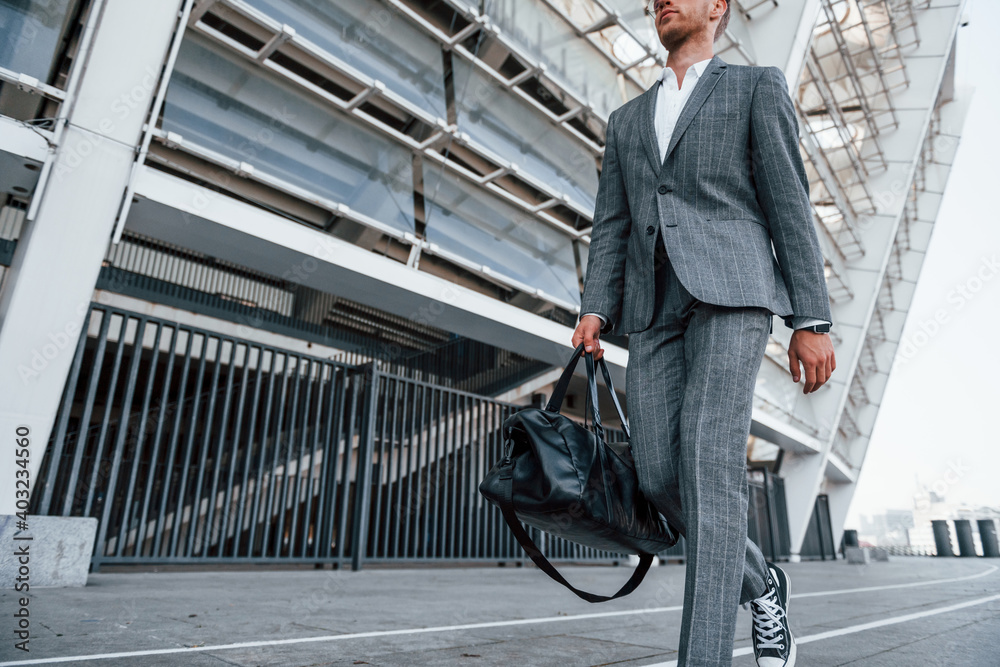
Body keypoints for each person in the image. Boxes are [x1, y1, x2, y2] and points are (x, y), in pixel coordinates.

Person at [571, 1, 836, 665]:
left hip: (734, 295)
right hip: (653, 310)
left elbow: (789, 202)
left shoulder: (755, 87)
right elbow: (613, 225)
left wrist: (812, 317)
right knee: (661, 475)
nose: (663, 1)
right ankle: (763, 584)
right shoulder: (627, 121)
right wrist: (596, 306)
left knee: (710, 465)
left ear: (718, 8)